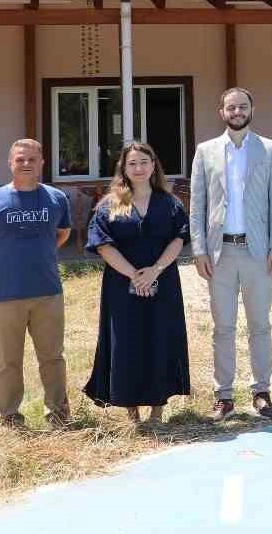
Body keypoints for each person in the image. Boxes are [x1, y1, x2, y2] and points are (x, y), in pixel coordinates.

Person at [189, 87, 272, 422]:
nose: (237, 112)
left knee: (260, 324)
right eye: (231, 107)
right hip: (220, 253)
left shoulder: (269, 149)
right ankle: (224, 397)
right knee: (223, 327)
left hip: (257, 251)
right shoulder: (205, 151)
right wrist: (199, 249)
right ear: (222, 112)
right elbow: (197, 205)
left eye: (243, 106)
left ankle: (262, 393)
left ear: (251, 110)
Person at [82, 141, 192, 422]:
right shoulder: (109, 204)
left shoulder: (170, 203)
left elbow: (179, 238)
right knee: (127, 342)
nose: (139, 168)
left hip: (162, 282)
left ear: (154, 166)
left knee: (160, 339)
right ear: (124, 168)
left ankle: (157, 410)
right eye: (132, 163)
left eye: (144, 162)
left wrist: (155, 271)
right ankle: (131, 409)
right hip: (121, 285)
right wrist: (134, 276)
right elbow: (103, 245)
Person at [0, 139, 73, 428]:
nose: (26, 164)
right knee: (8, 362)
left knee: (52, 357)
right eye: (20, 159)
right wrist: (0, 261)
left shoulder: (56, 198)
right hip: (4, 294)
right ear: (10, 163)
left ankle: (58, 412)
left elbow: (63, 232)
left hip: (47, 292)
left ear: (42, 163)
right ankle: (10, 415)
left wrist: (41, 254)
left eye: (32, 159)